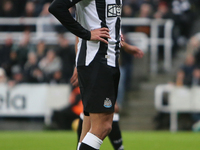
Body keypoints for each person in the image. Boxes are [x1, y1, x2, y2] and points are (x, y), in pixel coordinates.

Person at [49, 1, 143, 150]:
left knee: (91, 125)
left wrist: (126, 46)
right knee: (103, 126)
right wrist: (86, 34)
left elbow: (107, 25)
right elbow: (56, 7)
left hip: (108, 62)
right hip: (97, 62)